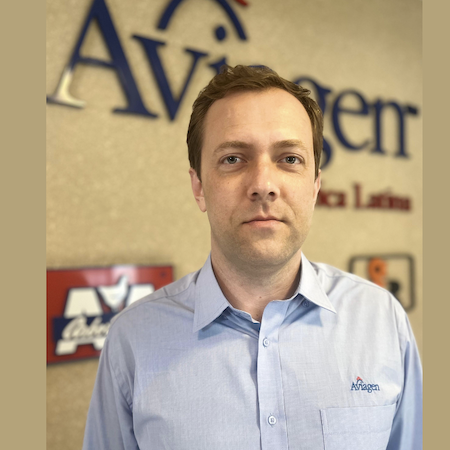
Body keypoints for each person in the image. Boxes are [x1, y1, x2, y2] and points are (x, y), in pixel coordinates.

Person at [82, 65, 422, 450]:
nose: (263, 184)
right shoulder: (132, 341)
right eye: (233, 159)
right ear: (199, 187)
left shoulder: (381, 320)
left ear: (315, 186)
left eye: (289, 159)